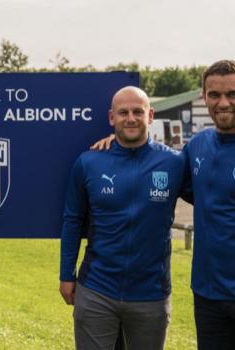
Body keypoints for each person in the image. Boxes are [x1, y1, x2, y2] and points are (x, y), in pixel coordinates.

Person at [92, 60, 235, 349]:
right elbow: (159, 170)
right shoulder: (199, 145)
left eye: (232, 94)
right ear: (204, 97)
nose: (223, 102)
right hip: (208, 298)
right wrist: (121, 144)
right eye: (214, 95)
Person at [60, 86, 189, 350]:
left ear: (150, 116)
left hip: (151, 294)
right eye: (123, 113)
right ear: (111, 118)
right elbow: (72, 220)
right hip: (96, 289)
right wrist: (66, 275)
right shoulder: (89, 162)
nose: (130, 118)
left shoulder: (175, 163)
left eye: (137, 112)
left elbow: (216, 200)